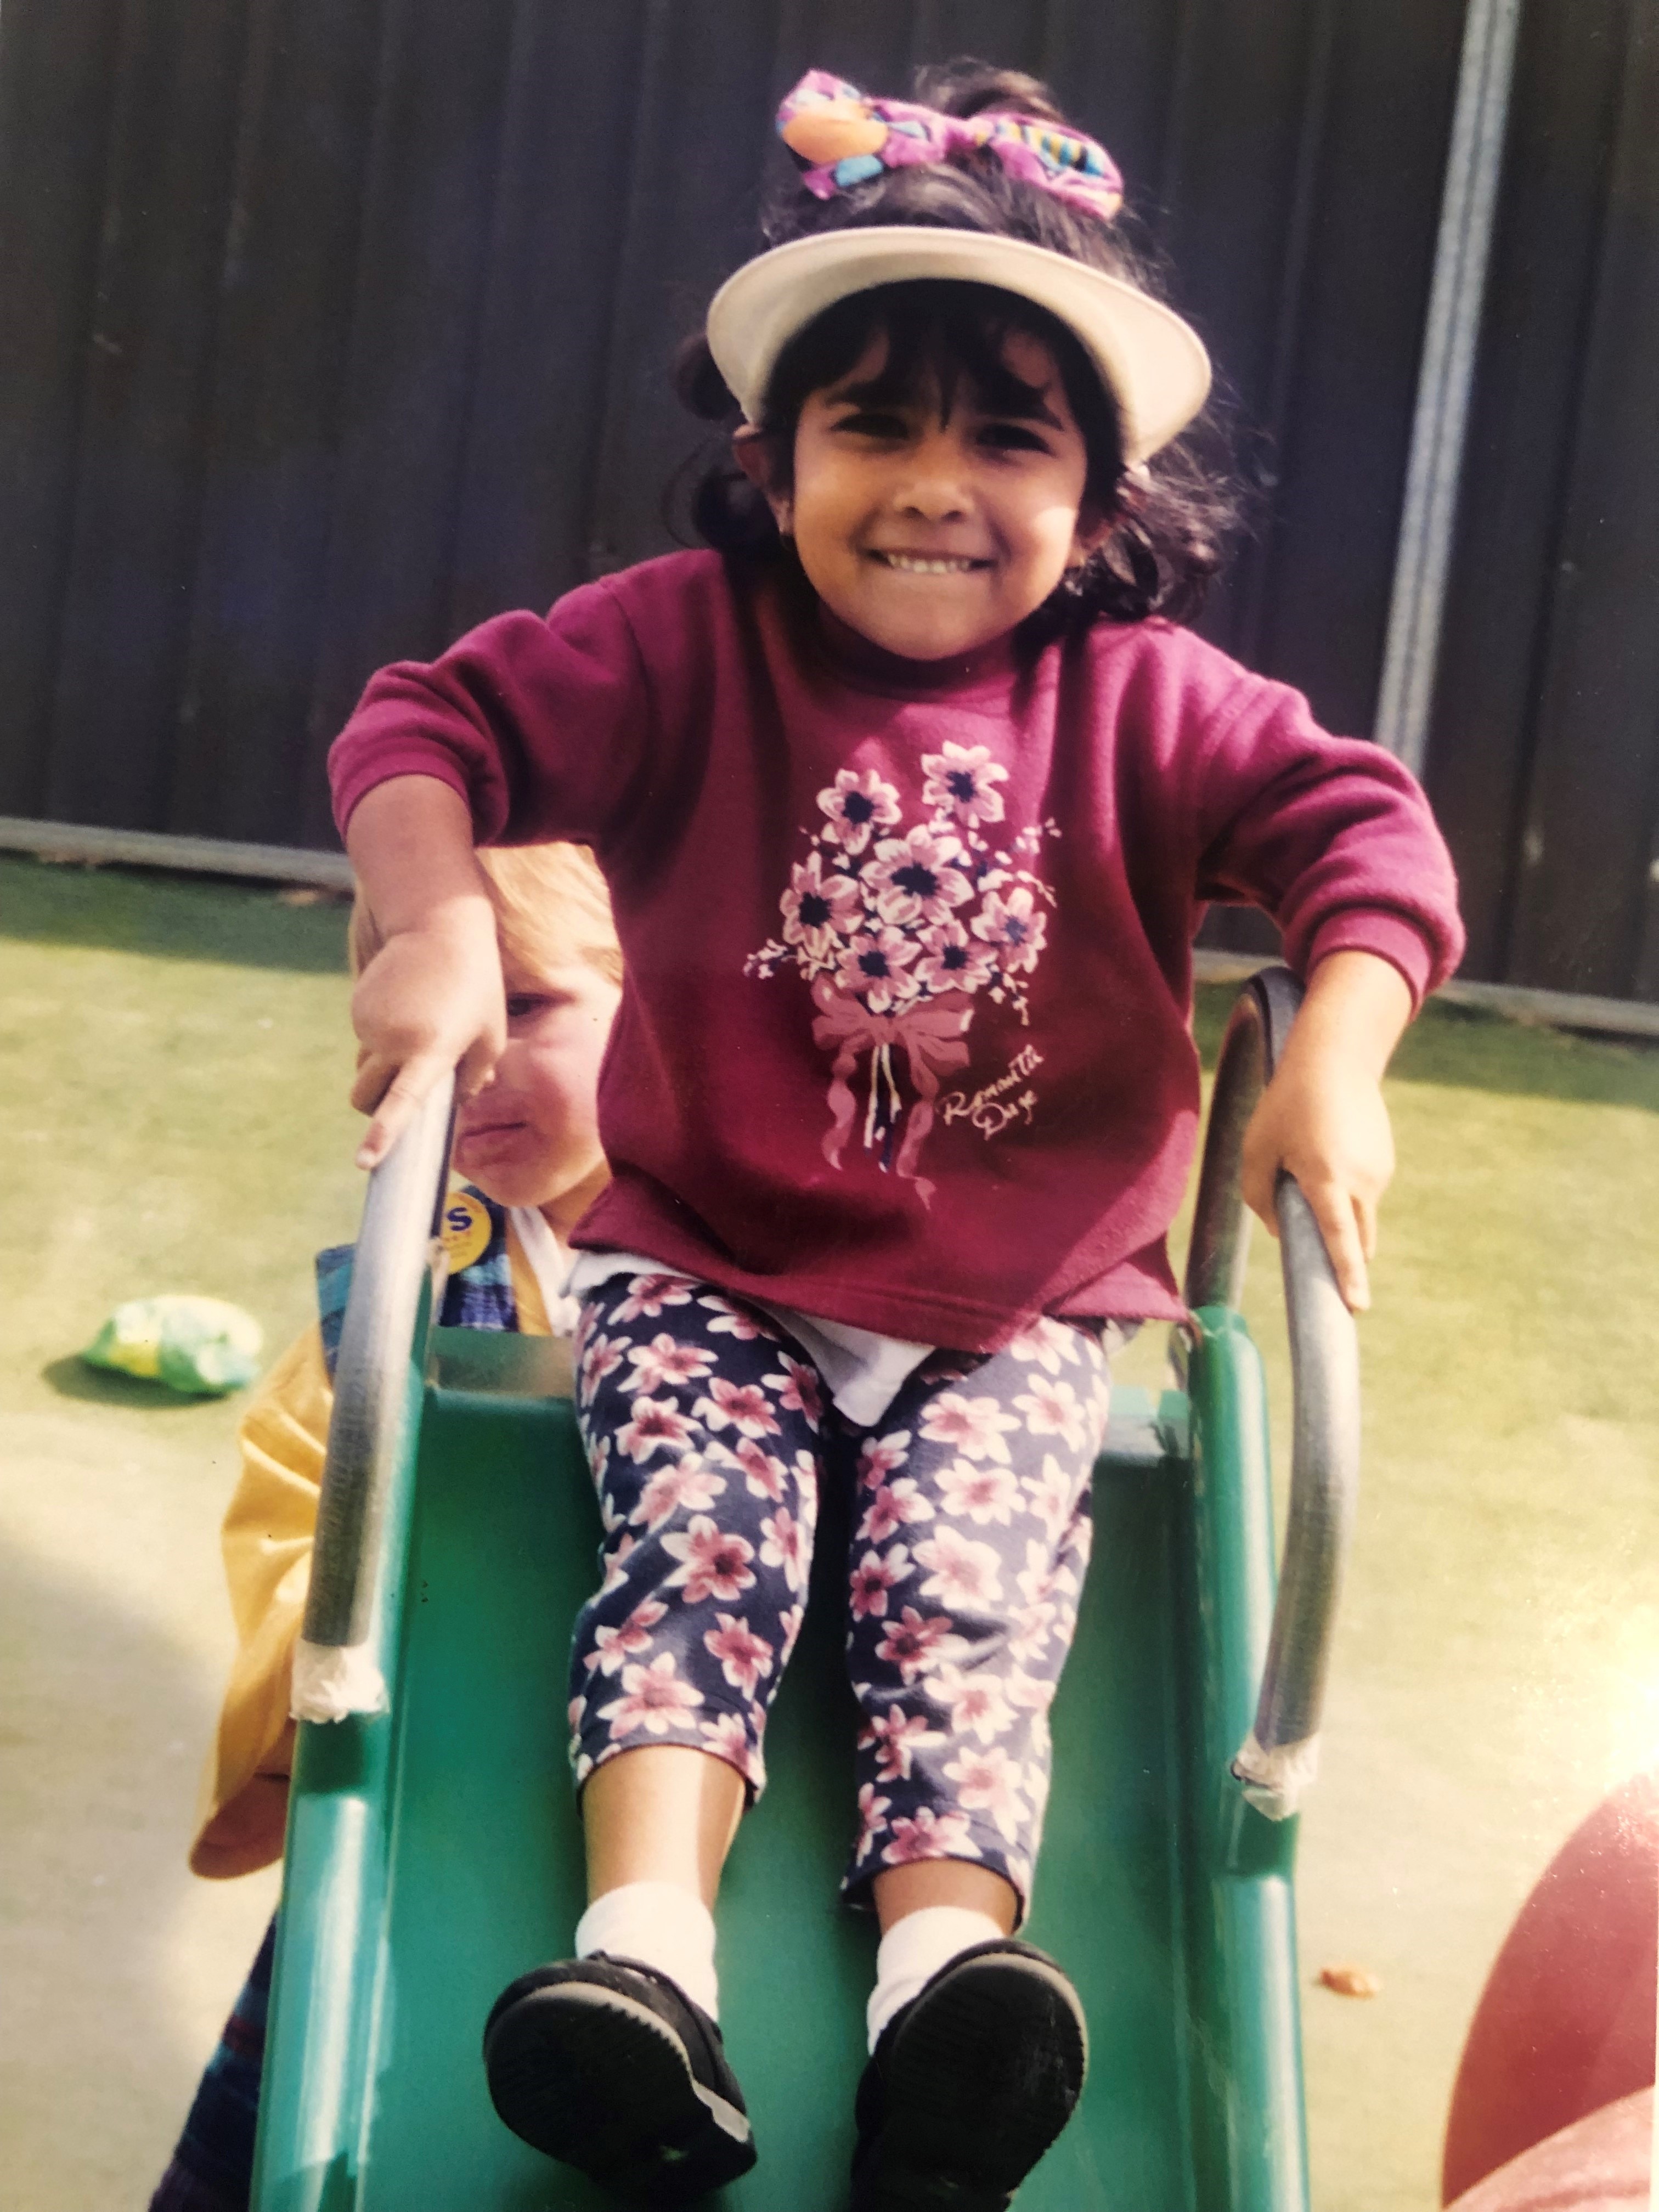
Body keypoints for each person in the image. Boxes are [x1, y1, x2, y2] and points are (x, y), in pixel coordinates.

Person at [328, 60, 1465, 2212]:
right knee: (693, 1537)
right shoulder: (685, 649)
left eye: (1008, 437)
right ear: (775, 461)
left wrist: (1340, 1051)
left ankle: (947, 1985)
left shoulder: (1153, 702)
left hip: (1016, 1305)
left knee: (968, 1593)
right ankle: (642, 1968)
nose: (934, 485)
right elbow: (428, 722)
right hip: (710, 1254)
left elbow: (1365, 826)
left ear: (1103, 492)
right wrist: (429, 924)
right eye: (875, 425)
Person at [148, 842, 622, 2212]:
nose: (472, 1062)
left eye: (528, 1008)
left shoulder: (756, 1286)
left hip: (665, 1826)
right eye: (425, 1017)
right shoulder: (397, 1308)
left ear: (660, 1002)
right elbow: (291, 1512)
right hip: (421, 1819)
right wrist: (328, 1653)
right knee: (306, 2146)